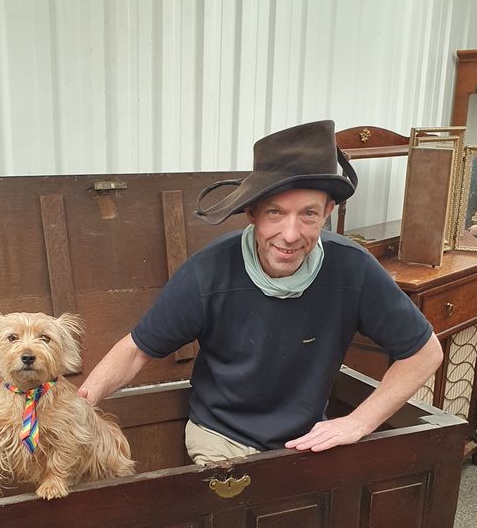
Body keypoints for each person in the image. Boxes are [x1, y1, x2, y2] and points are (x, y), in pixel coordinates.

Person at [78, 120, 443, 464]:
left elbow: (425, 353)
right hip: (220, 437)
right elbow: (136, 351)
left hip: (307, 442)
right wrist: (81, 403)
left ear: (329, 211)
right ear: (251, 212)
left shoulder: (353, 268)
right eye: (275, 212)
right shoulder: (208, 272)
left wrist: (360, 422)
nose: (289, 234)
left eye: (309, 214)